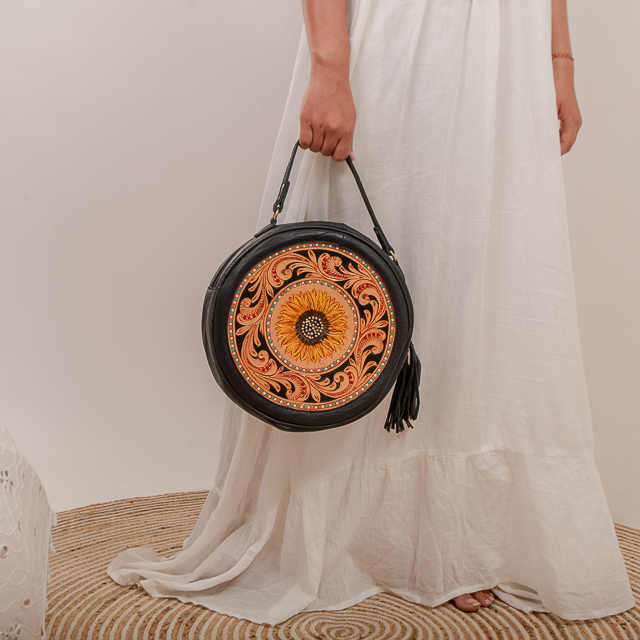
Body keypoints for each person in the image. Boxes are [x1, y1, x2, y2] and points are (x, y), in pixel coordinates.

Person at [107, 0, 635, 624]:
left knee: (486, 288)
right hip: (414, 37)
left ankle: (454, 536)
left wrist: (558, 59)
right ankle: (365, 535)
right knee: (384, 269)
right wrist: (330, 67)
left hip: (508, 47)